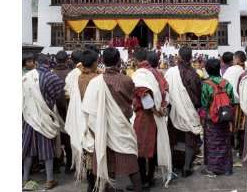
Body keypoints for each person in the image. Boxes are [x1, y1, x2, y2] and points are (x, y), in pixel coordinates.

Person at [82, 47, 142, 192]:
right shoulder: (127, 80)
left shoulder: (95, 82)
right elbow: (130, 105)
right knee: (132, 166)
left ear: (102, 61)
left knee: (108, 164)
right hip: (121, 128)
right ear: (119, 62)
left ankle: (110, 188)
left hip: (101, 130)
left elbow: (88, 110)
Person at [22, 54, 65, 190]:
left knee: (28, 149)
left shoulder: (25, 77)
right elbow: (58, 94)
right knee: (47, 150)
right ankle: (49, 180)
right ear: (48, 63)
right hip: (45, 118)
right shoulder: (51, 77)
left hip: (29, 118)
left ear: (36, 63)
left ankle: (24, 178)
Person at [131, 48, 172, 189]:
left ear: (136, 60)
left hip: (146, 115)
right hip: (158, 115)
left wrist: (155, 110)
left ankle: (144, 180)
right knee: (153, 147)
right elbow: (166, 90)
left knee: (141, 149)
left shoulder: (139, 74)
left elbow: (144, 95)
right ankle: (151, 177)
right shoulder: (157, 72)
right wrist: (163, 107)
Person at [65, 49, 99, 192]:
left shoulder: (77, 77)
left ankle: (91, 184)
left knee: (88, 153)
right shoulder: (97, 79)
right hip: (93, 119)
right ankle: (97, 184)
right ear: (94, 63)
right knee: (96, 154)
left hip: (82, 119)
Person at [165, 47, 202, 177]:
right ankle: (186, 166)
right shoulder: (195, 74)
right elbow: (198, 94)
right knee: (190, 137)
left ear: (179, 57)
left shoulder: (171, 72)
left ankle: (172, 165)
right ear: (190, 58)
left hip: (174, 109)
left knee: (172, 137)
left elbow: (166, 91)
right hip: (189, 110)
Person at [201, 59, 235, 176]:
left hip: (211, 119)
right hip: (225, 118)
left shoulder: (205, 84)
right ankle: (226, 168)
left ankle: (212, 168)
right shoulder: (226, 83)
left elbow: (204, 104)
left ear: (207, 70)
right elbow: (232, 101)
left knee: (212, 142)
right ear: (219, 69)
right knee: (225, 142)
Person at [52, 50, 72, 174]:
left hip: (54, 112)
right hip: (68, 112)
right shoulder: (71, 74)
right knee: (69, 140)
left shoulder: (51, 74)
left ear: (55, 60)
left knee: (56, 139)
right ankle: (70, 165)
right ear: (66, 60)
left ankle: (56, 165)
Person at [223, 51, 247, 152]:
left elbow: (224, 83)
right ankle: (241, 149)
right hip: (242, 102)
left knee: (230, 125)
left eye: (234, 58)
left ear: (237, 59)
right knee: (242, 127)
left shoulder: (230, 70)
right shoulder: (244, 70)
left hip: (230, 102)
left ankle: (231, 146)